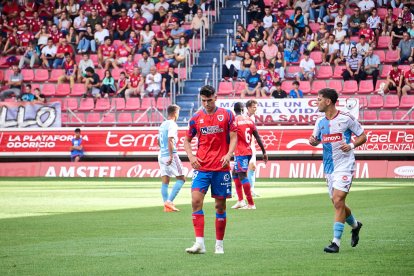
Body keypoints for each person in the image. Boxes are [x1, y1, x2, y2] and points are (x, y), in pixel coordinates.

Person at [309, 88, 367, 253]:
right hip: (329, 167)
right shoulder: (320, 122)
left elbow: (363, 136)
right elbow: (315, 139)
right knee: (337, 202)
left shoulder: (346, 118)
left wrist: (351, 145)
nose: (317, 102)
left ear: (328, 101)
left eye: (319, 99)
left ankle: (336, 242)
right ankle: (355, 225)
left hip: (345, 165)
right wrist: (313, 141)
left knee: (338, 199)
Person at [184, 85, 237, 254]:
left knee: (220, 207)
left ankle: (219, 245)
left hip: (221, 167)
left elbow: (234, 136)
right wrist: (192, 157)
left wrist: (229, 154)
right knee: (195, 201)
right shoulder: (195, 118)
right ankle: (200, 243)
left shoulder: (227, 115)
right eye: (203, 101)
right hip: (202, 167)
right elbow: (186, 140)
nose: (206, 104)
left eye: (209, 100)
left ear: (216, 97)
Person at [231, 102, 268, 210]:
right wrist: (264, 152)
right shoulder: (250, 120)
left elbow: (230, 137)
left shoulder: (235, 121)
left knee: (242, 175)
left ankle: (251, 204)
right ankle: (240, 201)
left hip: (241, 152)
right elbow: (258, 137)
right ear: (243, 109)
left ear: (235, 110)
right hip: (248, 151)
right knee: (235, 173)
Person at [158, 104, 185, 212]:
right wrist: (170, 155)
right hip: (170, 155)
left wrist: (164, 152)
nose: (178, 115)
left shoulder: (162, 124)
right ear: (174, 113)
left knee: (165, 181)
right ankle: (169, 202)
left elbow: (158, 141)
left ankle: (166, 205)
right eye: (178, 113)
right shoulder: (172, 124)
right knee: (181, 178)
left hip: (161, 154)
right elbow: (170, 139)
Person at [245, 100, 260, 196]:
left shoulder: (253, 118)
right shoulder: (243, 117)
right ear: (249, 108)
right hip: (242, 146)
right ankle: (238, 189)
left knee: (253, 166)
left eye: (256, 107)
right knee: (240, 169)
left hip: (251, 145)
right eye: (254, 107)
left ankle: (251, 189)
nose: (256, 108)